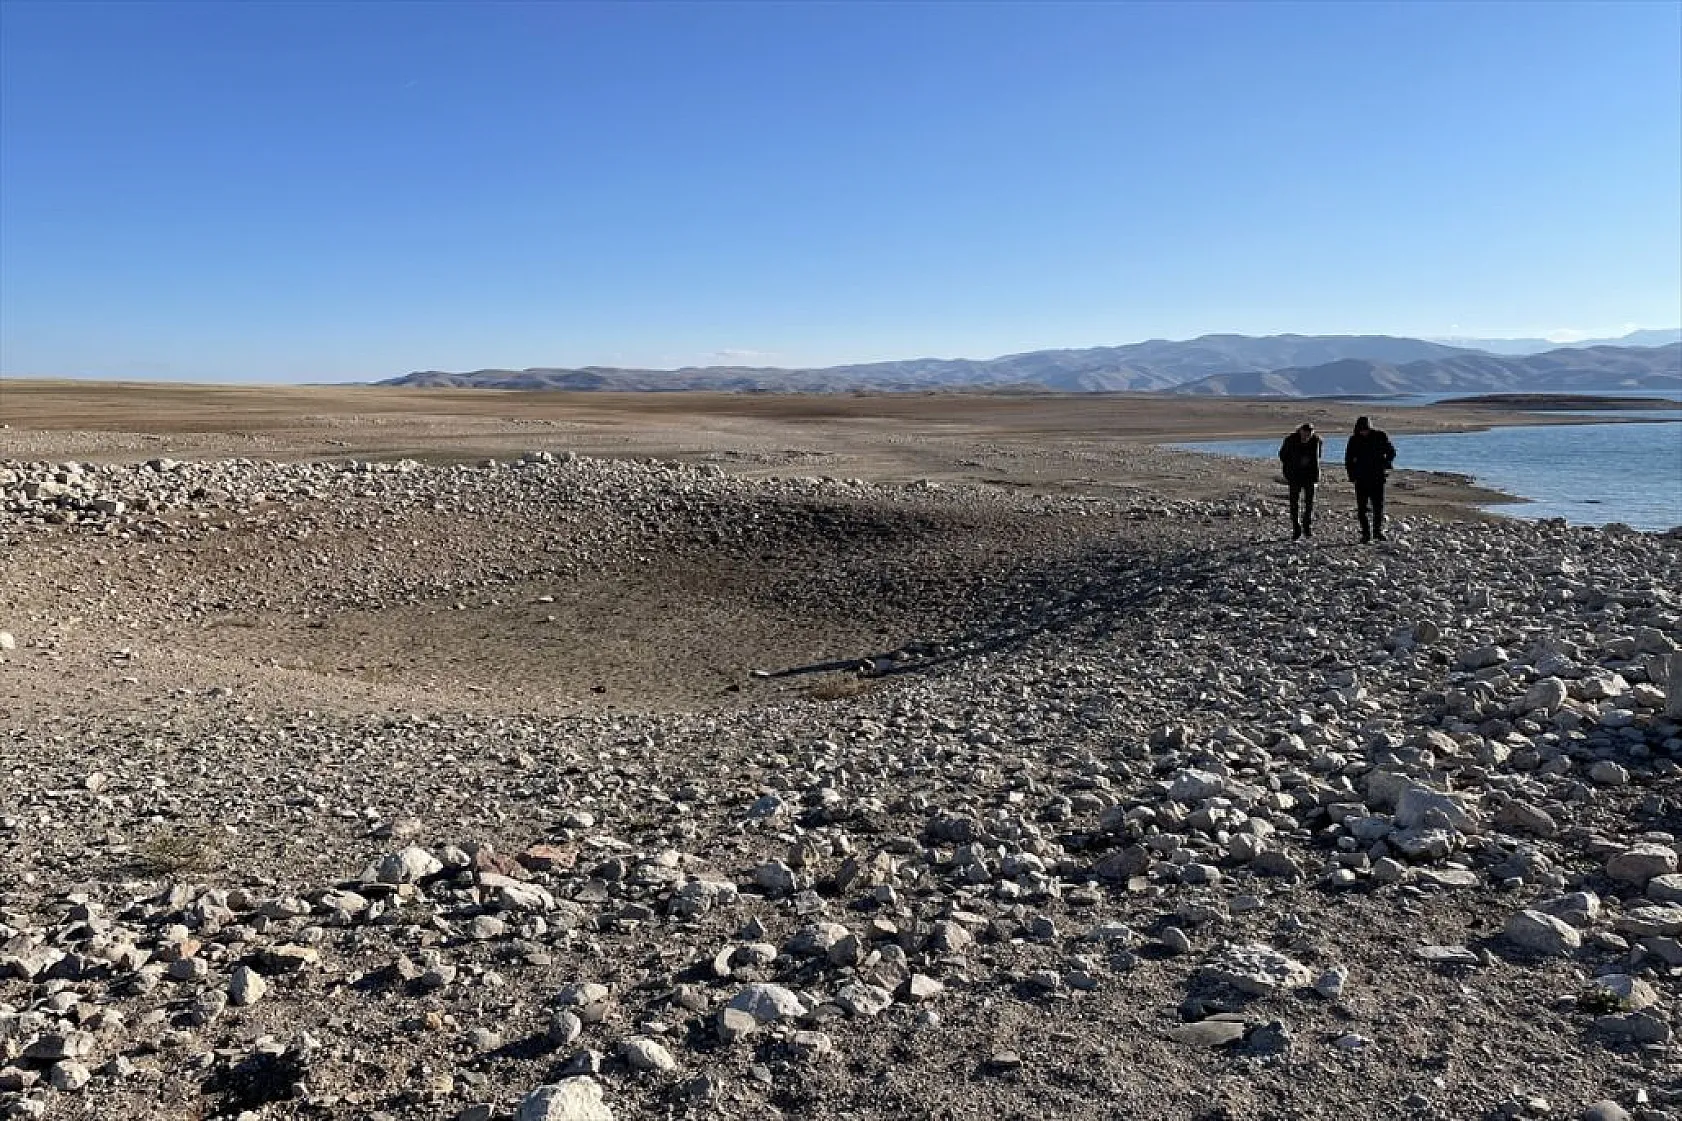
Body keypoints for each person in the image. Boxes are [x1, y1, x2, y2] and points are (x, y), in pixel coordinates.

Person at [1344, 415, 1397, 542]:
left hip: (1377, 477)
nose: (1364, 432)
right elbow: (1348, 459)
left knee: (1378, 506)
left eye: (1366, 429)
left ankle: (1377, 532)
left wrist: (1385, 464)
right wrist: (1351, 476)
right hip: (1361, 478)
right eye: (1362, 430)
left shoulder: (1380, 436)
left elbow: (1391, 452)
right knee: (1362, 508)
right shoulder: (1354, 440)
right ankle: (1365, 534)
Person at [1277, 422, 1322, 540]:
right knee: (1294, 503)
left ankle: (1307, 527)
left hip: (1310, 476)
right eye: (1305, 434)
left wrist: (1316, 475)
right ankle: (1296, 528)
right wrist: (1292, 466)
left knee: (1309, 503)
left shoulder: (1316, 441)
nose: (1306, 437)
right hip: (1295, 476)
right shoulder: (1290, 440)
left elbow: (1318, 457)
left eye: (1309, 435)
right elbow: (1282, 455)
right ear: (1300, 431)